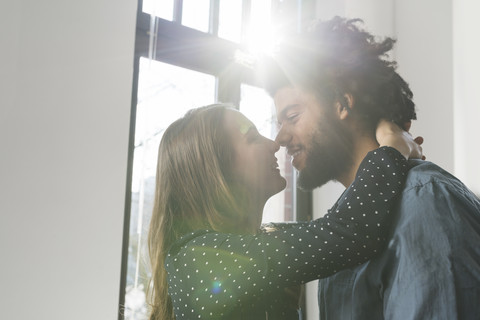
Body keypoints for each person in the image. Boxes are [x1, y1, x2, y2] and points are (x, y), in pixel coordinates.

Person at [262, 16, 480, 319]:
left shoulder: (423, 201)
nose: (281, 137)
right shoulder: (344, 223)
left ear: (341, 104)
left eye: (293, 116)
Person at [147, 103, 423, 320]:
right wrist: (394, 144)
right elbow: (348, 231)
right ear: (216, 170)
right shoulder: (194, 259)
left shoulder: (264, 239)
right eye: (253, 138)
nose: (273, 143)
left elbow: (337, 225)